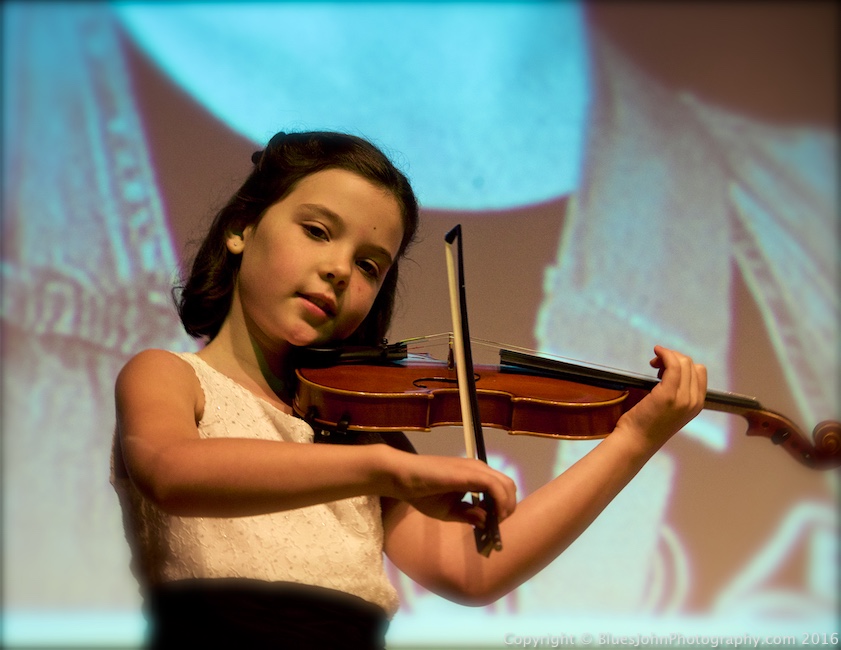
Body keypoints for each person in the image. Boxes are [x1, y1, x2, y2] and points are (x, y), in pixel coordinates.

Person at [111, 130, 707, 649]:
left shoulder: (357, 436)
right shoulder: (170, 376)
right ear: (243, 227)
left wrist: (633, 438)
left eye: (370, 265)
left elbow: (473, 572)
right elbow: (173, 471)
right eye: (318, 231)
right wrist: (386, 471)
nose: (341, 270)